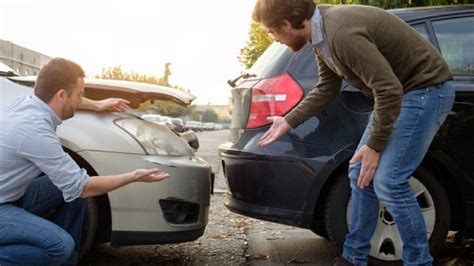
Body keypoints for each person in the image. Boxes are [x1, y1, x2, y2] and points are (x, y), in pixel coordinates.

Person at [253, 1, 454, 265]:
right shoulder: (320, 34)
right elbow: (327, 86)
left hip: (425, 91)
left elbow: (388, 89)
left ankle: (419, 261)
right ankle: (353, 258)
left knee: (389, 182)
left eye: (271, 31)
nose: (275, 39)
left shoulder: (340, 32)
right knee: (360, 173)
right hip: (401, 96)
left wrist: (374, 145)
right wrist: (289, 121)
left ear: (288, 23)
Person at [0, 58, 170, 265]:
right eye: (81, 94)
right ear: (61, 95)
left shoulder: (27, 103)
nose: (82, 98)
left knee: (71, 191)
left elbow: (75, 188)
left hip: (11, 196)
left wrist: (97, 105)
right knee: (59, 247)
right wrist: (132, 176)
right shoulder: (34, 130)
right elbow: (84, 187)